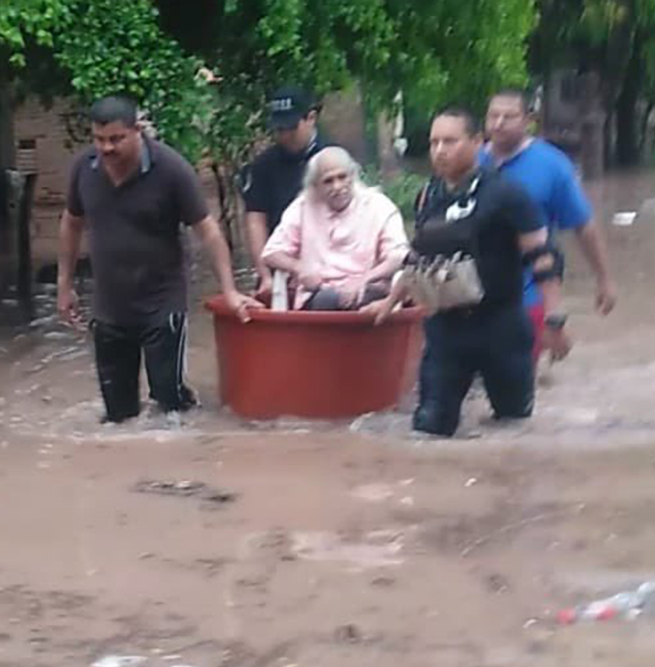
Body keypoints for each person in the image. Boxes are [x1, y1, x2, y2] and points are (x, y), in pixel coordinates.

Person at [56, 96, 263, 423]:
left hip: (161, 304)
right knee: (118, 416)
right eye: (98, 139)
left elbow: (208, 231)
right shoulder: (85, 168)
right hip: (110, 308)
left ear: (137, 131)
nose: (106, 148)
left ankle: (190, 440)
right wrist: (64, 284)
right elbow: (71, 222)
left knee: (169, 403)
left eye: (115, 139)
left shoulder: (171, 169)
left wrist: (230, 289)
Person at [365, 107, 570, 437]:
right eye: (434, 143)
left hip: (501, 326)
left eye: (450, 141)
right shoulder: (427, 196)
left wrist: (553, 321)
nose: (440, 151)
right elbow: (418, 258)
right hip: (446, 327)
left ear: (477, 142)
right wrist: (389, 304)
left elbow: (543, 258)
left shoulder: (508, 194)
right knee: (429, 428)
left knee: (513, 426)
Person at [483, 89, 617, 360]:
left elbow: (583, 226)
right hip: (478, 296)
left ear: (528, 120)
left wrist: (604, 279)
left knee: (516, 385)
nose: (498, 124)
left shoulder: (552, 165)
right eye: (493, 116)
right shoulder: (471, 161)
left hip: (530, 294)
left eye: (508, 117)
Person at [261, 147, 409, 310]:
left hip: (368, 291)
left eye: (342, 177)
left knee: (371, 298)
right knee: (328, 299)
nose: (337, 186)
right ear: (315, 186)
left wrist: (364, 279)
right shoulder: (302, 207)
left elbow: (399, 257)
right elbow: (270, 253)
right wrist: (299, 267)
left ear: (352, 176)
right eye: (328, 181)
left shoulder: (379, 206)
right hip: (318, 294)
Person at [242, 86, 327, 295]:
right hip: (279, 266)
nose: (285, 135)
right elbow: (256, 219)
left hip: (327, 266)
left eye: (291, 128)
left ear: (311, 118)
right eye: (279, 129)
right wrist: (264, 275)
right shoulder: (263, 165)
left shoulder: (333, 160)